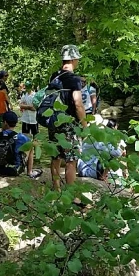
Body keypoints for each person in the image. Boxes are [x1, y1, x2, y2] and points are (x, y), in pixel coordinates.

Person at [48, 44, 87, 191]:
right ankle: (71, 194)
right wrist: (84, 125)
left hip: (54, 121)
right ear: (73, 59)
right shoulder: (74, 79)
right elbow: (78, 104)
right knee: (71, 160)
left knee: (55, 156)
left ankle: (56, 188)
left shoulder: (54, 76)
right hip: (69, 123)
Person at [0, 111, 35, 177]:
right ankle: (30, 172)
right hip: (16, 170)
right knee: (30, 145)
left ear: (5, 122)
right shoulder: (21, 137)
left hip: (0, 170)